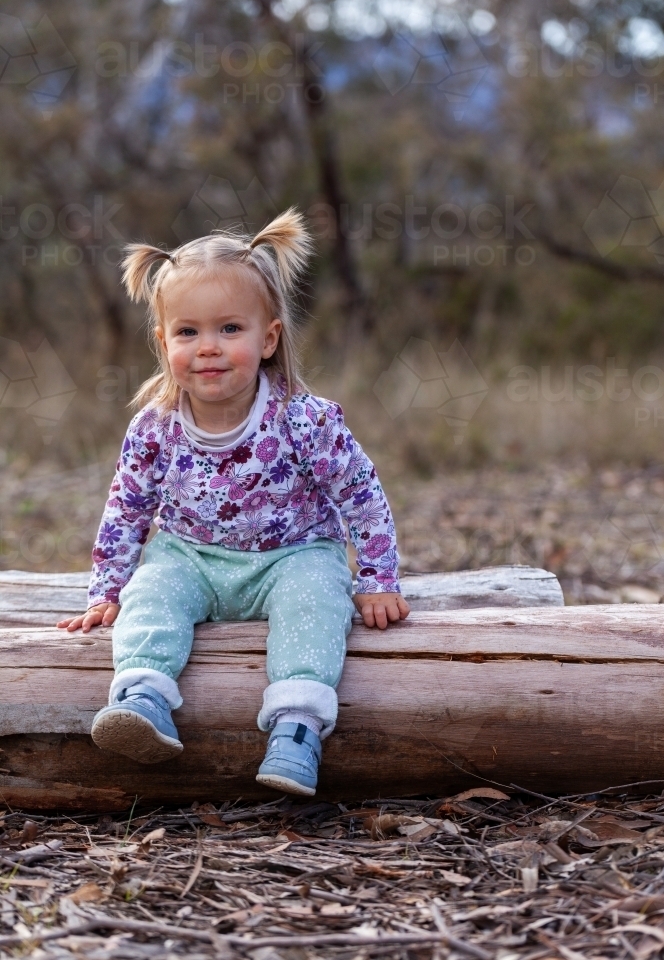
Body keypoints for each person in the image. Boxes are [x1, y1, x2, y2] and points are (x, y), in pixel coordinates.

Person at [57, 207, 410, 796]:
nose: (209, 348)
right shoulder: (155, 427)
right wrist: (107, 591)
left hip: (291, 555)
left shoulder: (302, 419)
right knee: (152, 590)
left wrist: (377, 578)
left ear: (268, 337)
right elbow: (126, 510)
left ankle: (297, 727)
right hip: (189, 556)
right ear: (163, 341)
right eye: (188, 332)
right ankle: (142, 697)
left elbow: (360, 493)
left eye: (230, 329)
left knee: (319, 599)